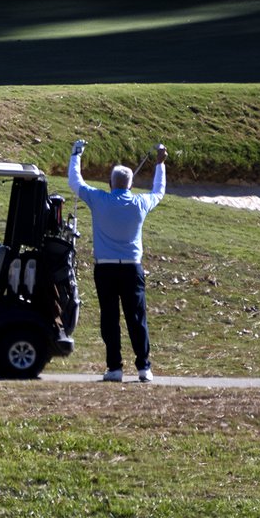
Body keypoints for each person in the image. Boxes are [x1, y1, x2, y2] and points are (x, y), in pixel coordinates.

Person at [69, 138, 167, 383]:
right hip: (132, 269)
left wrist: (76, 154)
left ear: (109, 183)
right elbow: (159, 191)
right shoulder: (139, 203)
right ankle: (144, 368)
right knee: (136, 318)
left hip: (105, 269)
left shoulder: (99, 199)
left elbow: (75, 182)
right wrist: (160, 164)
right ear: (131, 185)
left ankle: (115, 368)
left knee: (110, 318)